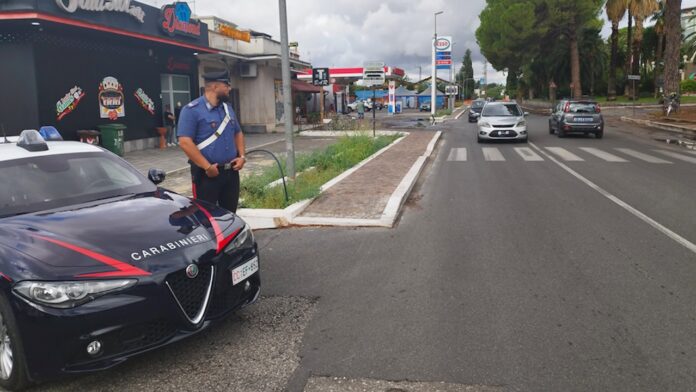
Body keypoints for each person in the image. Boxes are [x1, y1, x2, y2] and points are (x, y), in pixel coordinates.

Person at [177, 70, 246, 213]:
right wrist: (208, 167)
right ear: (215, 87)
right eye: (226, 85)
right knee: (207, 217)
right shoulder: (191, 110)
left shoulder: (228, 109)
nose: (229, 88)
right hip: (206, 175)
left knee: (230, 215)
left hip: (231, 172)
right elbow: (184, 142)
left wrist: (242, 157)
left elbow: (238, 132)